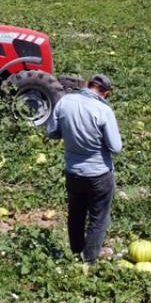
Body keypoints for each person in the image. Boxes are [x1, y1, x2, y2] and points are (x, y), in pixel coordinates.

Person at [45, 73, 122, 263]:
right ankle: (88, 261)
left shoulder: (65, 102)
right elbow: (116, 147)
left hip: (73, 171)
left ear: (88, 85)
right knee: (98, 218)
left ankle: (75, 253)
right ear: (106, 93)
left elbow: (52, 132)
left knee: (76, 213)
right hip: (99, 173)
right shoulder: (103, 110)